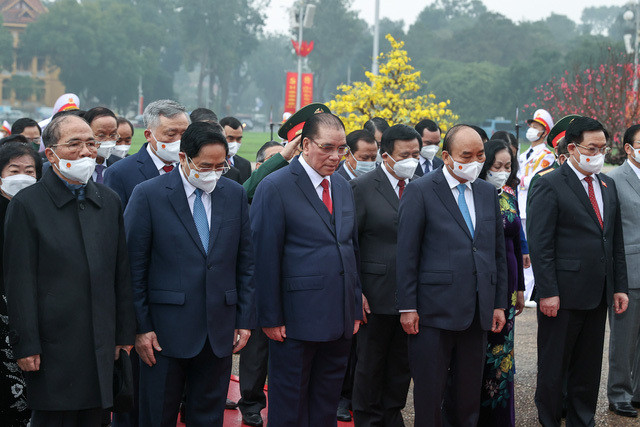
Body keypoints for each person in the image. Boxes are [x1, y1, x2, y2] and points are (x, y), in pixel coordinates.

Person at [4, 114, 135, 426]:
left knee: (96, 417)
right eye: (74, 144)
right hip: (53, 344)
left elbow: (121, 273)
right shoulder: (27, 204)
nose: (86, 151)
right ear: (50, 154)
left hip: (101, 340)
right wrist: (27, 343)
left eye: (91, 143)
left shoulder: (108, 200)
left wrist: (124, 333)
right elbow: (19, 280)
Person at [124, 121, 254, 426]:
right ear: (183, 158)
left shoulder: (233, 194)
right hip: (164, 333)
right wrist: (140, 328)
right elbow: (133, 267)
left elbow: (245, 262)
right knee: (158, 415)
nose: (212, 173)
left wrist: (245, 320)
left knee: (209, 416)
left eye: (220, 166)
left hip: (218, 330)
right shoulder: (149, 195)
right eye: (205, 165)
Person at [251, 109, 362, 426]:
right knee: (289, 406)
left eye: (341, 149)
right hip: (294, 322)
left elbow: (349, 247)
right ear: (304, 145)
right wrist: (270, 317)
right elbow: (264, 257)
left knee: (325, 405)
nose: (335, 156)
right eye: (327, 147)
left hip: (339, 319)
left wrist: (354, 306)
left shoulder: (341, 186)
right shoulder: (275, 186)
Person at [396, 124, 507, 426]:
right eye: (466, 156)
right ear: (446, 156)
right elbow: (406, 254)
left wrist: (498, 303)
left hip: (477, 311)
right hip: (432, 312)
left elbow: (496, 252)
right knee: (430, 395)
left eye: (480, 155)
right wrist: (408, 307)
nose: (474, 162)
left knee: (467, 395)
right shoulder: (421, 190)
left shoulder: (486, 191)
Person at [528, 116, 628, 426]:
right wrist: (548, 291)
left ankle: (582, 420)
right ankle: (549, 419)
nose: (599, 153)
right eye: (592, 147)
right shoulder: (548, 183)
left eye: (603, 147)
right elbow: (540, 244)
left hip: (597, 293)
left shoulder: (607, 185)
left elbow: (614, 241)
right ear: (572, 148)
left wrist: (619, 286)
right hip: (562, 294)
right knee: (554, 366)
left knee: (587, 368)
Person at [350, 124, 420, 427]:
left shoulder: (421, 186)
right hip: (374, 293)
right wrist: (356, 290)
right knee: (370, 364)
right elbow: (349, 242)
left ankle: (392, 416)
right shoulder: (363, 188)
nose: (412, 160)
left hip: (411, 295)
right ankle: (367, 419)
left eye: (416, 154)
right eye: (406, 155)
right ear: (386, 154)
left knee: (401, 364)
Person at [477, 140, 525, 426]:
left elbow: (517, 243)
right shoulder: (478, 194)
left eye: (508, 166)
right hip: (484, 278)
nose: (503, 172)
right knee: (478, 351)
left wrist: (519, 288)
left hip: (508, 282)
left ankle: (499, 417)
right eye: (497, 166)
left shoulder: (509, 193)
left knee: (502, 352)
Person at [0, 142, 41, 426]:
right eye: (14, 170)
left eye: (30, 171)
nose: (22, 176)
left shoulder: (41, 210)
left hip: (35, 311)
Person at [606, 124, 640, 418]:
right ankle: (619, 394)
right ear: (628, 148)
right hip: (628, 271)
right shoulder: (614, 180)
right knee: (624, 339)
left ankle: (638, 391)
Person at [104, 99, 190, 208]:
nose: (179, 140)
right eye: (171, 134)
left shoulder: (193, 167)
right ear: (148, 135)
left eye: (184, 134)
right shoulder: (120, 173)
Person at [518, 109, 555, 305]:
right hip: (519, 205)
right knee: (521, 249)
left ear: (545, 132)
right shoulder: (523, 154)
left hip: (532, 204)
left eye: (537, 127)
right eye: (531, 126)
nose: (532, 130)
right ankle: (521, 289)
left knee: (531, 249)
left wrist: (519, 179)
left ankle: (530, 290)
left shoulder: (547, 155)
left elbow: (537, 179)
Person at [84, 107, 120, 183]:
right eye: (101, 136)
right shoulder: (76, 166)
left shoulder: (120, 166)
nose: (108, 140)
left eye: (113, 135)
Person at [220, 116, 252, 184]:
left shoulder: (245, 165)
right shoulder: (213, 164)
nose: (235, 143)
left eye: (238, 139)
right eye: (230, 138)